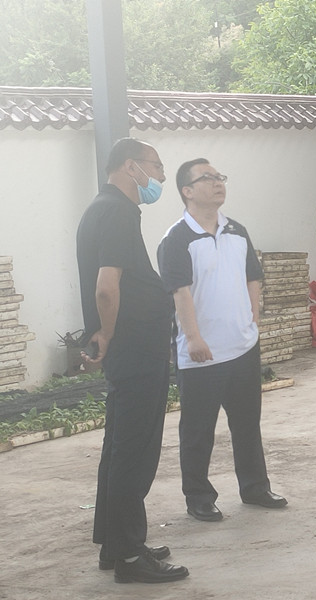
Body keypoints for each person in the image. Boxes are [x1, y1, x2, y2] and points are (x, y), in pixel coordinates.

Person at [76, 138, 189, 583]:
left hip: (130, 347)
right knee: (135, 450)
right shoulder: (118, 211)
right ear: (130, 166)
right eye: (155, 166)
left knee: (119, 445)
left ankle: (114, 543)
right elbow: (107, 286)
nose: (159, 176)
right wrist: (106, 332)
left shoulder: (100, 208)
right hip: (136, 346)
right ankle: (128, 556)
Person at [157, 158, 286, 522]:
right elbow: (180, 291)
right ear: (187, 191)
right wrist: (193, 338)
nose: (217, 183)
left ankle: (255, 487)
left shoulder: (237, 231)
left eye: (219, 177)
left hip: (242, 347)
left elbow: (252, 278)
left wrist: (252, 322)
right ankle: (198, 496)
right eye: (207, 178)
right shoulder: (177, 239)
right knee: (198, 430)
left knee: (247, 424)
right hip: (202, 353)